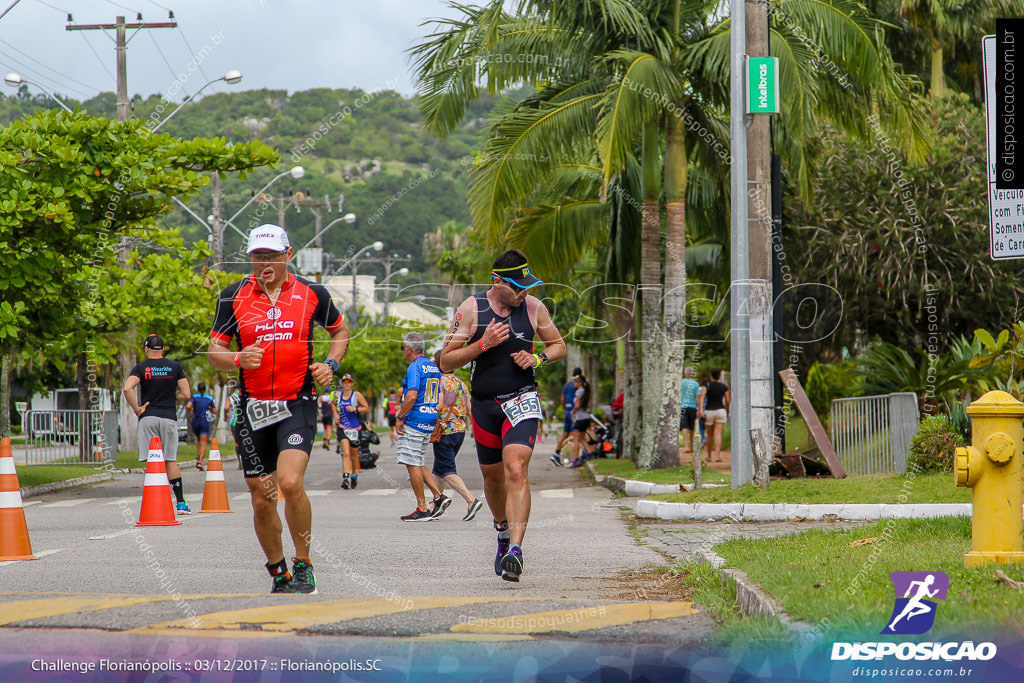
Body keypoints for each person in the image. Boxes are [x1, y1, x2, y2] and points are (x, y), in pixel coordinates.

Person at [208, 224, 350, 594]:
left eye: (271, 255)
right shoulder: (232, 296)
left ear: (289, 255)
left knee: (289, 482)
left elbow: (340, 331)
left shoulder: (312, 293)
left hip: (296, 403)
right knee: (261, 495)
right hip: (253, 408)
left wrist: (330, 365)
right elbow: (214, 353)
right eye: (257, 256)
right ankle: (278, 570)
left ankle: (304, 563)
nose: (264, 262)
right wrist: (238, 356)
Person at [439, 249, 566, 582]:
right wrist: (483, 344)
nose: (523, 292)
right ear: (497, 281)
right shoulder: (472, 309)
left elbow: (558, 346)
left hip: (521, 399)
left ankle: (516, 550)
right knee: (493, 478)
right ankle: (502, 531)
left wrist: (537, 360)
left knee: (516, 468)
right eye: (517, 286)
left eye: (526, 285)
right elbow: (446, 361)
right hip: (484, 405)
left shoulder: (535, 308)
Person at [122, 334, 192, 514]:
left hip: (148, 417)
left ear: (146, 349)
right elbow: (186, 393)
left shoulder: (141, 368)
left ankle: (155, 504)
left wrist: (137, 408)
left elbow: (127, 388)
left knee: (152, 462)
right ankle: (181, 502)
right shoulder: (174, 367)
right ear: (162, 349)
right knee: (170, 460)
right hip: (168, 417)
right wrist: (172, 397)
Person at [395, 332, 447, 521]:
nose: (404, 351)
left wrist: (400, 416)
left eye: (403, 348)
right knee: (418, 459)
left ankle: (422, 507)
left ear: (409, 349)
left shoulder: (414, 367)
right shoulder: (433, 366)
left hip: (415, 419)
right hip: (429, 417)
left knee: (411, 462)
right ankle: (438, 496)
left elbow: (411, 396)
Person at [431, 351, 483, 521]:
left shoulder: (437, 383)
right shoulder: (461, 384)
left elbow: (436, 407)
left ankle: (471, 500)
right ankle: (437, 504)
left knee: (446, 470)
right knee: (438, 470)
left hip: (443, 431)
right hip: (459, 431)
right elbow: (469, 409)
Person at [333, 373, 369, 489]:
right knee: (346, 454)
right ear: (342, 384)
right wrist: (335, 414)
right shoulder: (338, 395)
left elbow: (367, 408)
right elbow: (332, 404)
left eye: (349, 382)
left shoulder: (357, 395)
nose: (347, 384)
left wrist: (355, 408)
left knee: (353, 455)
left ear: (352, 383)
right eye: (344, 382)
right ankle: (345, 477)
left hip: (355, 428)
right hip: (343, 428)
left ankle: (353, 475)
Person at [698, 368, 731, 463]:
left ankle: (709, 456)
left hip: (709, 411)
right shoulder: (724, 386)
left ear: (711, 375)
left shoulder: (706, 385)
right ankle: (717, 456)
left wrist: (701, 410)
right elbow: (728, 400)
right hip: (721, 410)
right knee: (718, 434)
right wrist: (727, 410)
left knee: (709, 435)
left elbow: (702, 396)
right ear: (720, 376)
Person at [552, 368, 581, 465]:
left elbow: (562, 398)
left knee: (565, 434)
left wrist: (564, 408)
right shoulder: (578, 385)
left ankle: (556, 454)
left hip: (567, 411)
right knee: (574, 436)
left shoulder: (567, 384)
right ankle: (574, 459)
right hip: (574, 412)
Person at [186, 381, 218, 471]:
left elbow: (188, 406)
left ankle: (198, 455)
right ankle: (200, 460)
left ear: (198, 388)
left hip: (195, 419)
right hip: (204, 420)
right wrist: (209, 408)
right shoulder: (209, 398)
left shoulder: (194, 397)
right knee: (203, 442)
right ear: (205, 389)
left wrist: (193, 409)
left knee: (199, 440)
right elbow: (215, 411)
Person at [564, 373, 592, 467]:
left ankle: (576, 459)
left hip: (580, 418)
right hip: (586, 417)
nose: (574, 383)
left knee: (576, 440)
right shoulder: (585, 391)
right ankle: (590, 454)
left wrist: (573, 411)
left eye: (575, 381)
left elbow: (577, 405)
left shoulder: (579, 392)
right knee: (582, 439)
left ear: (579, 382)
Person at [678, 367, 701, 464]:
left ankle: (686, 446)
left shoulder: (681, 382)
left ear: (685, 373)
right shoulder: (695, 384)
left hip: (683, 406)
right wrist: (699, 408)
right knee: (692, 427)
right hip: (692, 407)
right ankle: (692, 446)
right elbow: (697, 397)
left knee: (684, 426)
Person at [224, 385, 244, 469]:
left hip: (234, 422)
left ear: (233, 388)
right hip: (245, 421)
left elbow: (226, 407)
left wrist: (225, 416)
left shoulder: (231, 397)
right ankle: (245, 461)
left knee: (237, 442)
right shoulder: (245, 395)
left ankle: (240, 462)